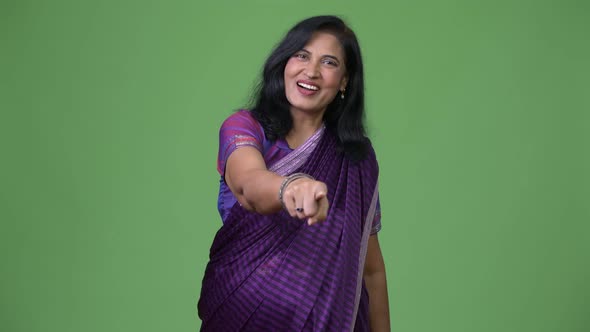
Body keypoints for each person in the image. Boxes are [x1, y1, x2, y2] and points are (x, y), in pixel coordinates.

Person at [198, 15, 390, 331]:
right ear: (284, 62)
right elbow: (248, 185)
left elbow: (370, 271)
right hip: (239, 318)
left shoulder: (356, 159)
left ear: (344, 81)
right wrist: (291, 187)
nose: (311, 71)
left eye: (329, 62)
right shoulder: (245, 128)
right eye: (301, 54)